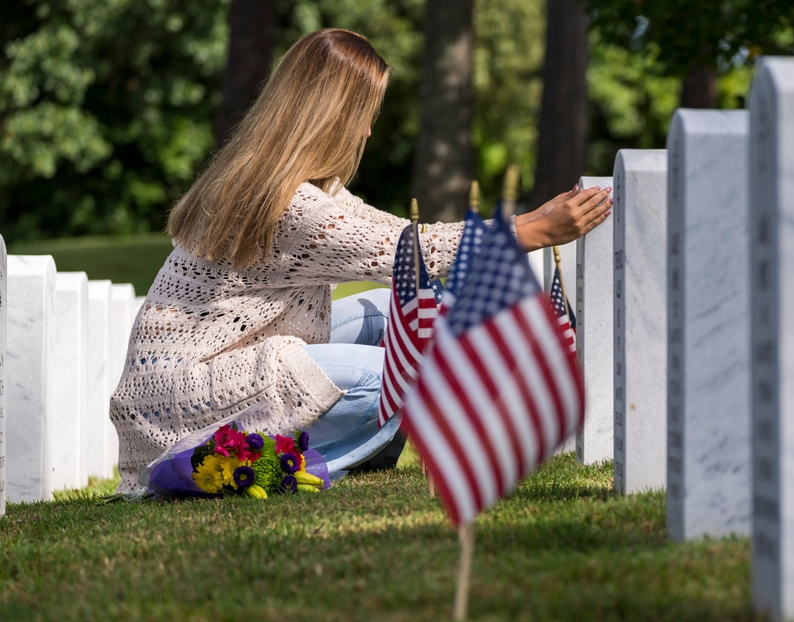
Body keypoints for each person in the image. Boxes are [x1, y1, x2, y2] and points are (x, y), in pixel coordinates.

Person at [111, 28, 612, 493]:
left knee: (392, 312)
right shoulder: (291, 207)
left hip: (223, 363)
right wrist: (534, 230)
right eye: (365, 113)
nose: (369, 130)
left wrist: (526, 223)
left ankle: (361, 451)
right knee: (405, 373)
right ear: (334, 116)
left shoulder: (292, 186)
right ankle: (283, 463)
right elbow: (412, 253)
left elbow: (400, 237)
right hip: (181, 404)